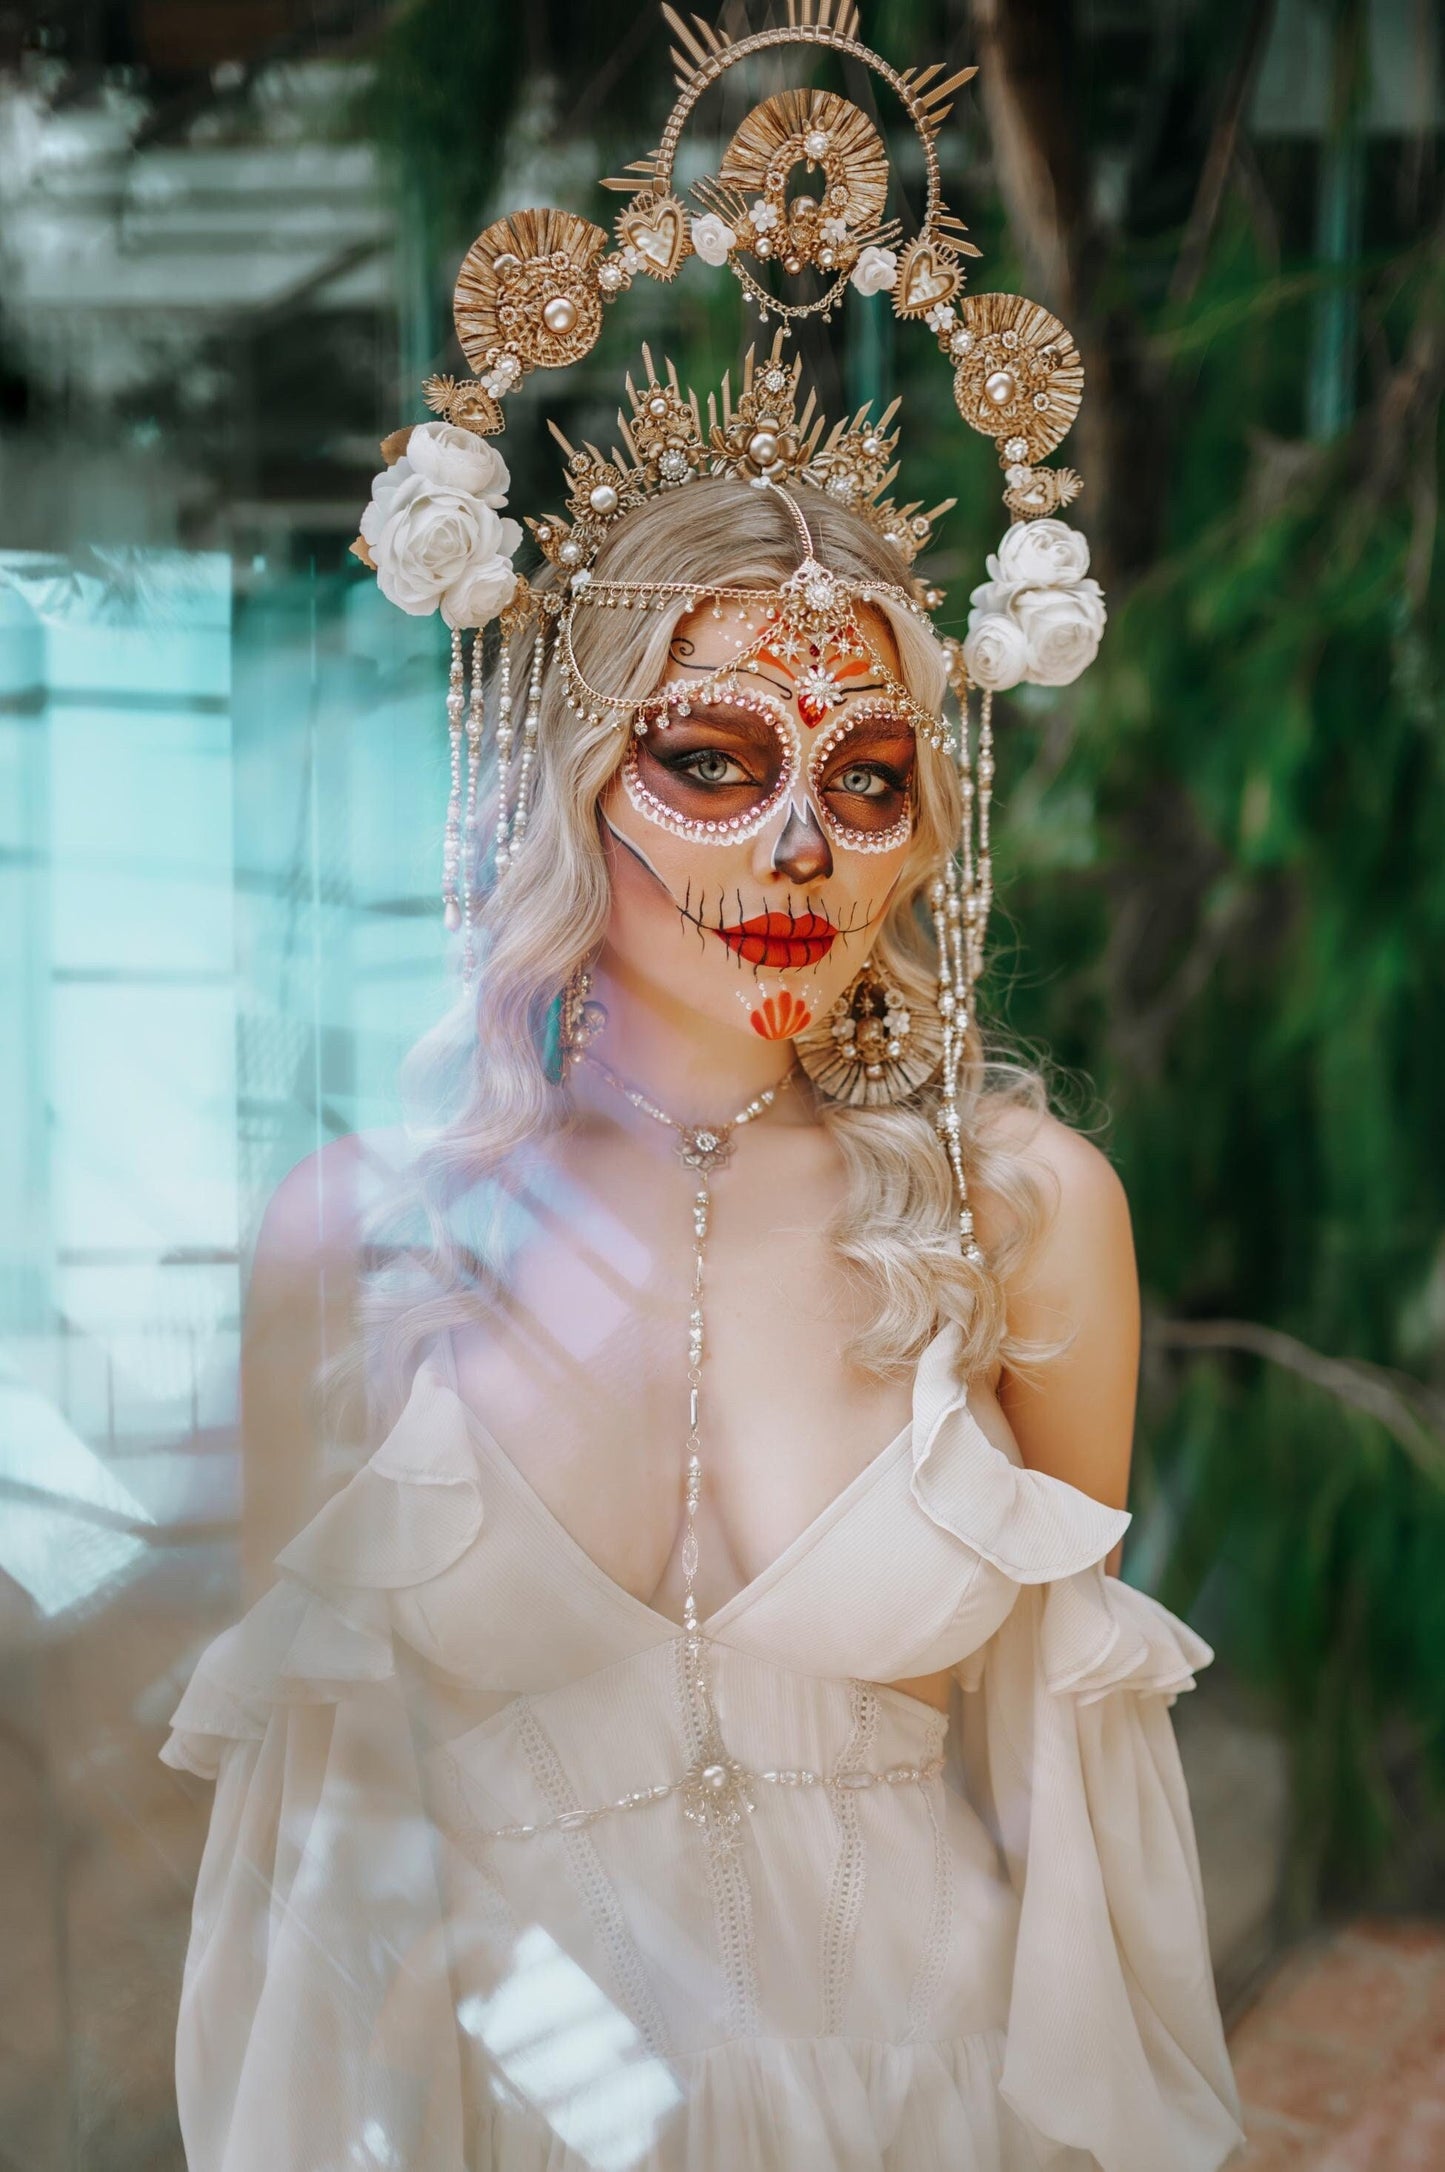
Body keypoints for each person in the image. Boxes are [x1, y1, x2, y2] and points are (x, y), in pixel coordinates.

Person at [161, 15, 1243, 2170]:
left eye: (868, 780)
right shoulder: (360, 1244)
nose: (799, 857)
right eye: (717, 762)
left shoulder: (1027, 1215)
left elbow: (1072, 1832)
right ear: (571, 780)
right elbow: (316, 1895)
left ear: (945, 822)